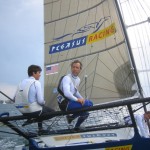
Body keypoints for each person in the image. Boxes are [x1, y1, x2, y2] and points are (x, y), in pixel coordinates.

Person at [14, 65, 54, 134]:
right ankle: (34, 120)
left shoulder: (20, 83)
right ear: (34, 73)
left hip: (22, 111)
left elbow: (14, 98)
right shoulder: (36, 83)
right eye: (39, 72)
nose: (40, 75)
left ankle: (39, 128)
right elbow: (40, 101)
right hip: (33, 111)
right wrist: (44, 102)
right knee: (53, 112)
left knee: (40, 110)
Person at [57, 60, 93, 131]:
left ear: (80, 69)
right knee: (90, 103)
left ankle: (76, 127)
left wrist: (82, 99)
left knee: (86, 113)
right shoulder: (67, 78)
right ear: (71, 68)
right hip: (64, 103)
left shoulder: (78, 79)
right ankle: (72, 117)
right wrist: (78, 100)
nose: (75, 69)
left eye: (77, 67)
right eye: (73, 67)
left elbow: (75, 92)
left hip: (70, 102)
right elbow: (67, 93)